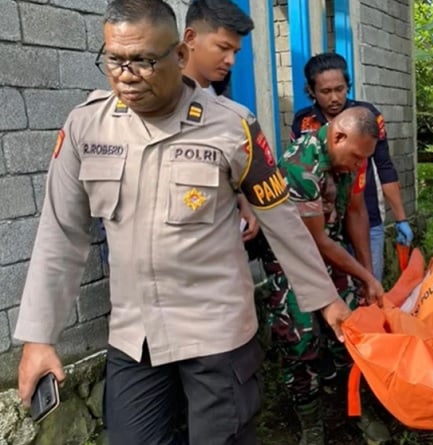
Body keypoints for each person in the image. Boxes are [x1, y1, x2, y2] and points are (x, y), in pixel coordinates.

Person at [13, 2, 351, 444]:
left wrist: (325, 301)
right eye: (115, 59)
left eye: (144, 61)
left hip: (218, 335)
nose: (126, 74)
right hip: (136, 338)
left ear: (177, 54)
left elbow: (281, 219)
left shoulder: (232, 126)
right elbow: (61, 233)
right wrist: (39, 338)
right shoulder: (86, 127)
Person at [267, 107, 390, 445]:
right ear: (338, 136)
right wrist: (364, 274)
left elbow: (356, 210)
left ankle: (358, 408)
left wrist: (367, 276)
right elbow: (315, 242)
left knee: (354, 330)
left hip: (331, 251)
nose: (357, 165)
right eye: (355, 157)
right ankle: (311, 423)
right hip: (292, 260)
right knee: (300, 339)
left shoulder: (350, 155)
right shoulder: (300, 164)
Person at [291, 53, 413, 282]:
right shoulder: (304, 122)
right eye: (326, 92)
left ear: (348, 86)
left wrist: (401, 218)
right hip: (322, 222)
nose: (335, 98)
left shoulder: (367, 116)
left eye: (340, 89)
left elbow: (385, 166)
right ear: (312, 91)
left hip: (364, 214)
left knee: (369, 280)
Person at [181, 0, 259, 243]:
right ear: (191, 38)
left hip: (219, 237)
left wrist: (243, 201)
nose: (230, 60)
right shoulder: (157, 100)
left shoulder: (220, 93)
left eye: (234, 52)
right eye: (223, 48)